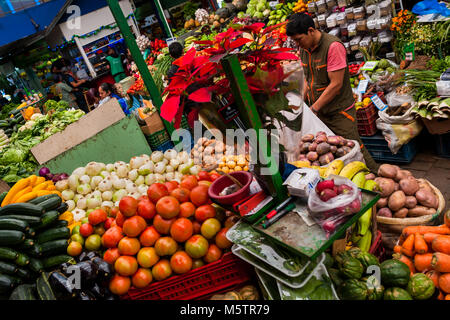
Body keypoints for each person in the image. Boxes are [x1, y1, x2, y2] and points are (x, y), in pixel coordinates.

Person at [286, 13, 378, 173]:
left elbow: (336, 85)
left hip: (339, 113)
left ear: (310, 31)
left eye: (299, 39)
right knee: (330, 153)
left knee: (353, 148)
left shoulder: (333, 46)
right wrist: (301, 102)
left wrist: (313, 108)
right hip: (320, 112)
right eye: (294, 40)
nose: (297, 44)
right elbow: (307, 79)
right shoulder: (304, 49)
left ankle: (375, 176)